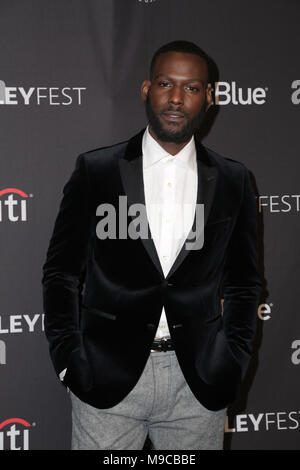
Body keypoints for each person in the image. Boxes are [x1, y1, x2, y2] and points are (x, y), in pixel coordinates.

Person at [42, 40, 262, 450]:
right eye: (165, 83)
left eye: (192, 88)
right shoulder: (97, 170)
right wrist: (69, 361)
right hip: (106, 380)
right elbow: (61, 272)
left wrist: (234, 362)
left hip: (198, 385)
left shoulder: (234, 181)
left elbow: (245, 284)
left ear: (209, 97)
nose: (177, 98)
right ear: (146, 89)